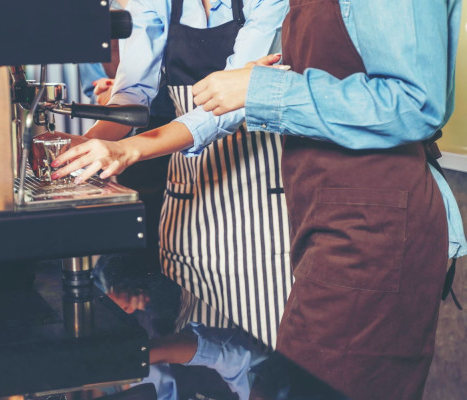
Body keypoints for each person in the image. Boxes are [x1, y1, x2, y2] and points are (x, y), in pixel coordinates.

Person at [55, 1, 467, 399]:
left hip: (340, 220)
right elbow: (137, 93)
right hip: (304, 211)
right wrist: (85, 147)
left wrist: (258, 88)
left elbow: (416, 103)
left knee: (275, 374)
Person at [55, 0, 290, 348]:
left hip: (260, 221)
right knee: (191, 352)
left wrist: (130, 149)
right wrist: (84, 147)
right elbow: (132, 97)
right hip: (185, 219)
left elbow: (231, 102)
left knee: (261, 363)